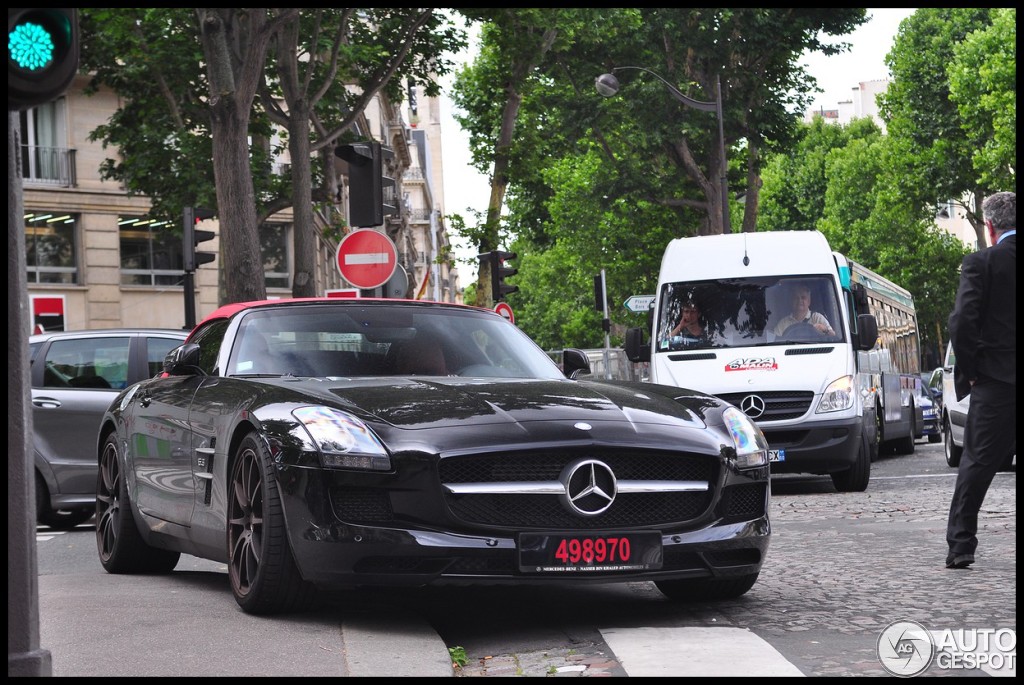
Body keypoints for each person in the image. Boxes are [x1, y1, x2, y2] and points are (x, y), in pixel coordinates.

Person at [945, 191, 1016, 570]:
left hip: (996, 380)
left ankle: (961, 546)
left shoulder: (981, 263)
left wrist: (971, 370)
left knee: (977, 463)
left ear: (990, 227)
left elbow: (962, 322)